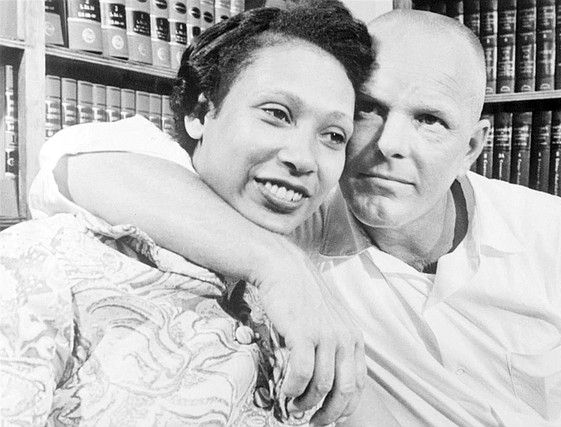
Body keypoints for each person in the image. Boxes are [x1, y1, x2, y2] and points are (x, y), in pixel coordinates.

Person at [25, 8, 561, 427]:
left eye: (430, 120)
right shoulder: (289, 212)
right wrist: (281, 265)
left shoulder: (559, 236)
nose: (390, 144)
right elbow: (75, 159)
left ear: (472, 147)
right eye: (366, 113)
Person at [0, 2, 378, 425]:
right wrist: (277, 263)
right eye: (276, 114)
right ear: (200, 113)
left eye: (332, 135)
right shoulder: (47, 262)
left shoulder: (311, 304)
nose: (304, 158)